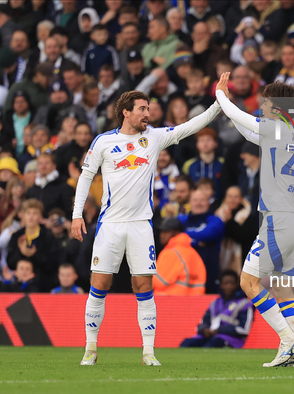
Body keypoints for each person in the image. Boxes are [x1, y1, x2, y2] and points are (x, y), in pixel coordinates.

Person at [70, 90, 221, 366]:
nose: (147, 114)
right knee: (99, 283)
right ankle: (90, 348)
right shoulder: (104, 141)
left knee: (143, 285)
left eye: (148, 109)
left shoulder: (153, 137)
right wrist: (76, 215)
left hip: (141, 225)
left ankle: (148, 352)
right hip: (110, 224)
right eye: (142, 109)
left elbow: (190, 127)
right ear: (126, 112)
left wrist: (218, 103)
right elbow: (86, 176)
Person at [216, 75, 294, 367]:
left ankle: (288, 340)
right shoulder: (289, 131)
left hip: (277, 221)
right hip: (292, 220)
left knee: (248, 281)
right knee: (281, 287)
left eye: (265, 101)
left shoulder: (276, 126)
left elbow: (237, 116)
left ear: (275, 106)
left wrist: (221, 96)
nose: (261, 105)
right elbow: (249, 133)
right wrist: (231, 108)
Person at [179, 269, 254, 348]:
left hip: (231, 340)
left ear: (237, 285)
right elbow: (204, 322)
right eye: (225, 283)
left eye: (232, 283)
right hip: (212, 336)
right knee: (187, 343)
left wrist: (219, 330)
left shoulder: (245, 304)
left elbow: (244, 329)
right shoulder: (215, 303)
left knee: (212, 344)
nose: (229, 286)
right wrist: (204, 330)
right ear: (221, 285)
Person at [177, 189, 225, 294]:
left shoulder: (216, 220)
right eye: (195, 200)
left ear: (208, 202)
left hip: (209, 275)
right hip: (183, 276)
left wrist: (185, 236)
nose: (198, 203)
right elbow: (173, 236)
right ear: (190, 202)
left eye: (202, 200)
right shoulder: (181, 220)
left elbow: (207, 234)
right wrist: (197, 242)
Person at [6, 198, 58, 292]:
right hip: (19, 286)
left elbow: (52, 265)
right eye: (28, 213)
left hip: (42, 287)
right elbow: (10, 263)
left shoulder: (48, 237)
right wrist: (20, 251)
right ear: (23, 216)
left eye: (35, 213)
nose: (31, 217)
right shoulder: (16, 236)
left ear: (40, 217)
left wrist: (35, 255)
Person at [153, 218, 206, 295]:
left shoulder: (170, 253)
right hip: (193, 304)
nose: (162, 235)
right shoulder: (194, 253)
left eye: (166, 231)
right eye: (161, 232)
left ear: (176, 233)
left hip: (168, 302)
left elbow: (157, 282)